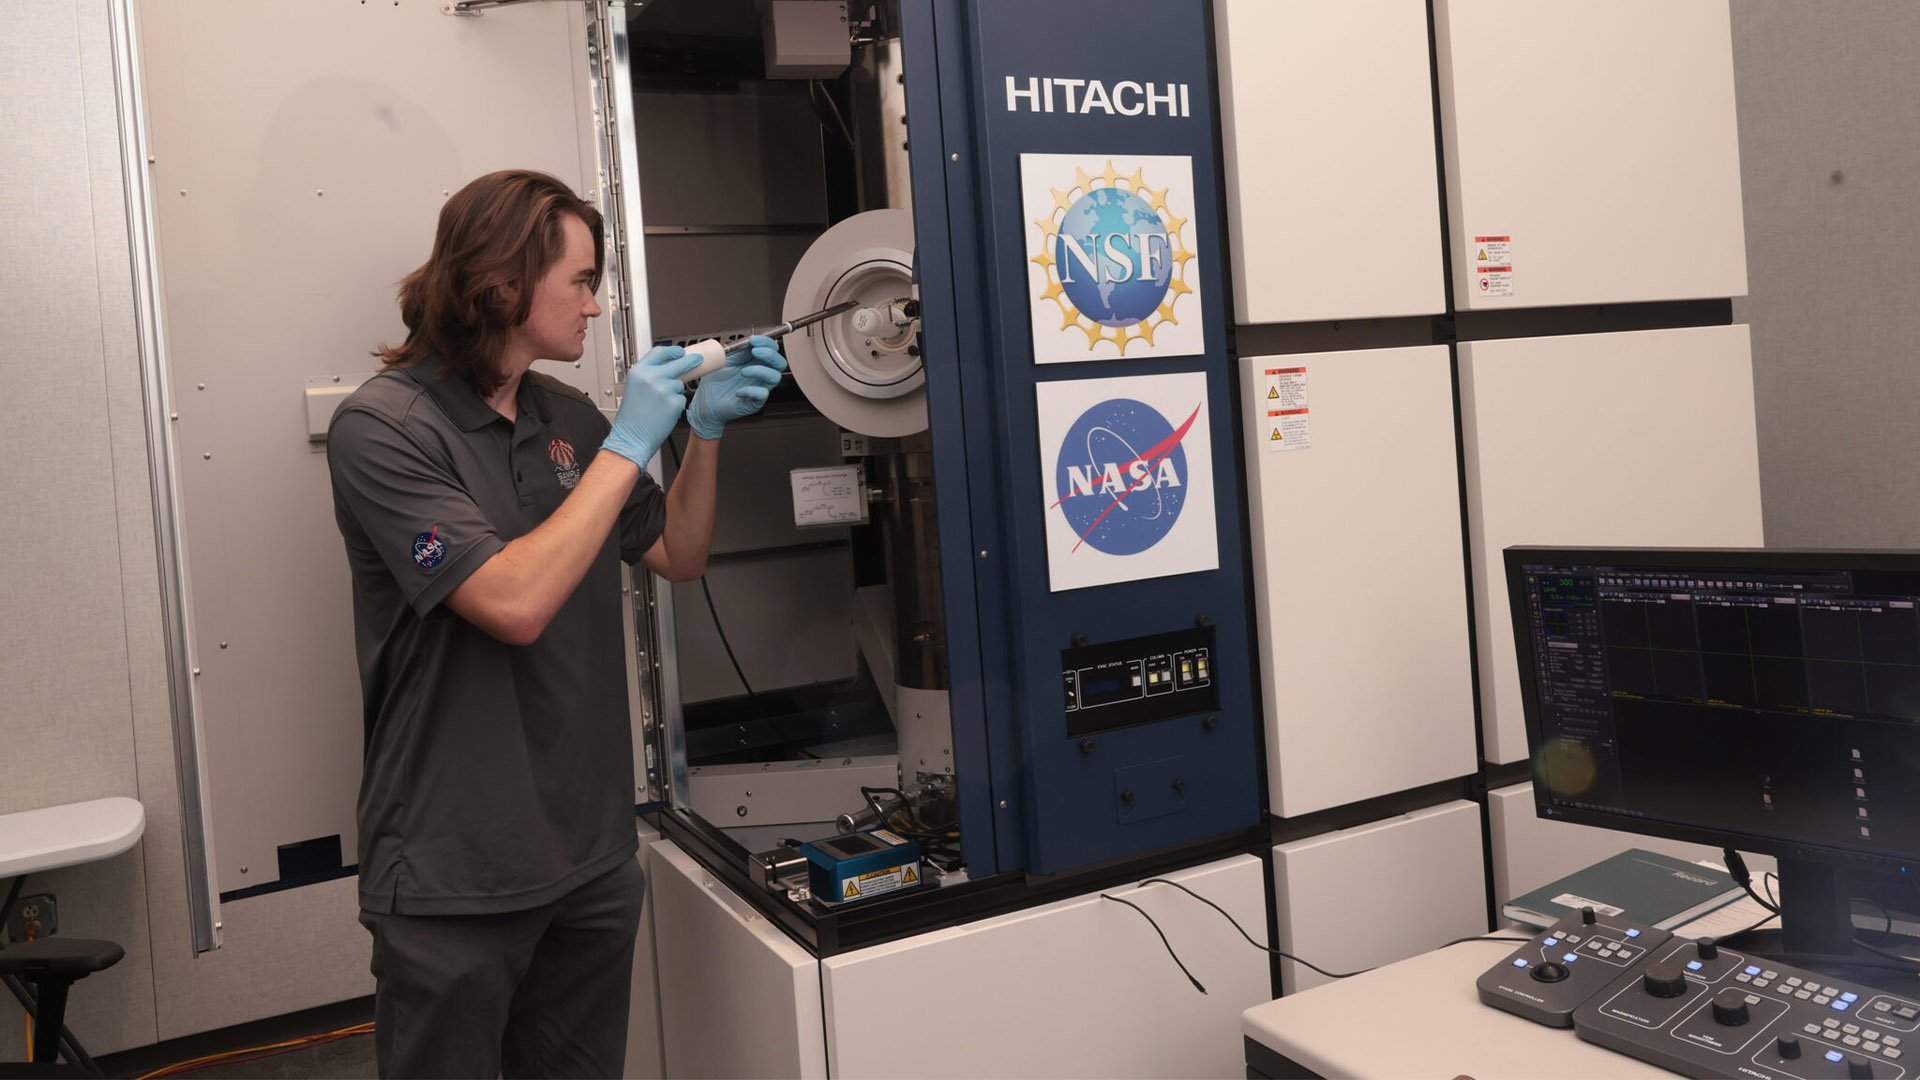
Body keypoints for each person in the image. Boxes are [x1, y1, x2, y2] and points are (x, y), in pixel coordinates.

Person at [326, 169, 783, 1078]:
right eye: (580, 281)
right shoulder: (384, 430)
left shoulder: (566, 417)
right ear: (502, 285)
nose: (597, 306)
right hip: (456, 873)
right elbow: (513, 603)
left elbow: (678, 554)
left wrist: (706, 432)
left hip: (590, 857)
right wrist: (629, 443)